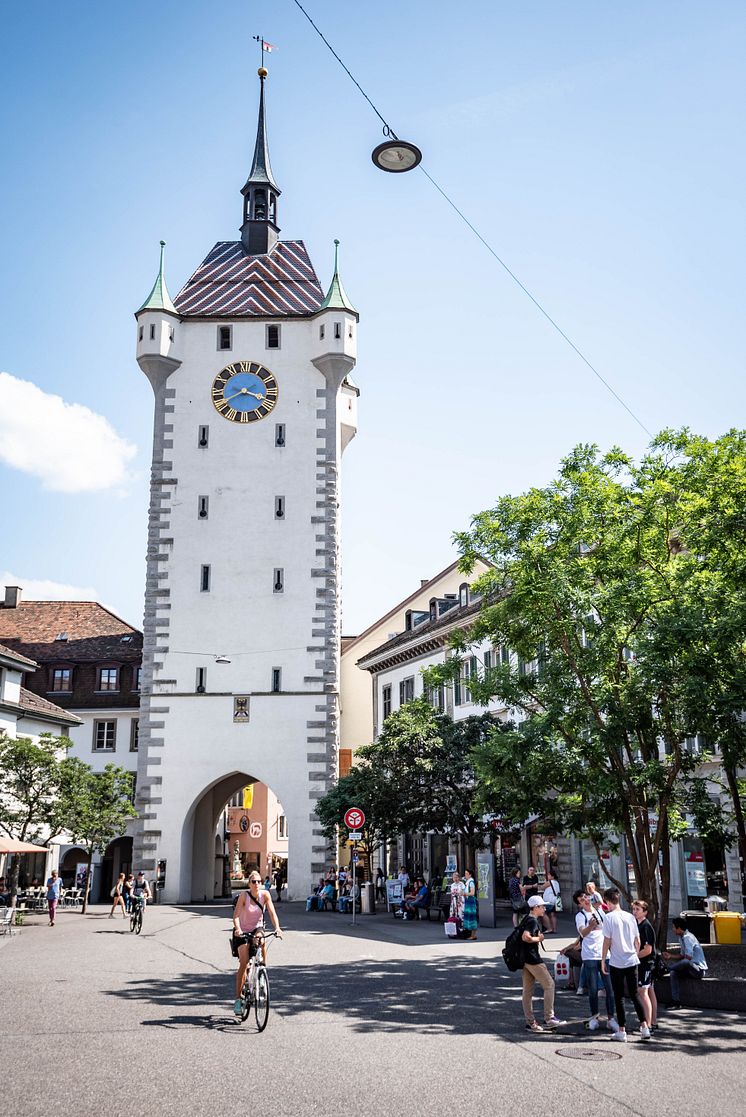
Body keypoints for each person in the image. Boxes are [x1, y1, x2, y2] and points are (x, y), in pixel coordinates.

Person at [601, 888, 650, 1042]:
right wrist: (635, 953)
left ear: (608, 901)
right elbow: (638, 940)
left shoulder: (609, 918)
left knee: (619, 996)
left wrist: (603, 959)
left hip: (617, 961)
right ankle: (644, 1027)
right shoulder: (630, 917)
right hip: (631, 960)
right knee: (635, 994)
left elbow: (607, 940)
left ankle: (622, 1030)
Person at [232, 871, 283, 1016]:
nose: (257, 884)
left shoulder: (265, 895)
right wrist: (238, 929)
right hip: (242, 930)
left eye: (259, 881)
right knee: (244, 962)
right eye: (254, 882)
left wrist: (277, 928)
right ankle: (237, 999)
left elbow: (272, 913)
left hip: (257, 928)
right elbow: (235, 916)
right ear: (249, 884)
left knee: (261, 940)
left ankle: (262, 970)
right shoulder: (244, 896)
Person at [573, 889, 617, 1031]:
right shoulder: (580, 916)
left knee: (609, 988)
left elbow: (608, 929)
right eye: (581, 900)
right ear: (579, 904)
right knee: (592, 988)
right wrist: (591, 926)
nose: (585, 900)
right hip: (590, 955)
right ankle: (594, 1018)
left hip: (604, 955)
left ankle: (611, 1018)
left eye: (586, 896)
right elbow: (582, 933)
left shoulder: (599, 911)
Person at [521, 896, 564, 1032]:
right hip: (532, 958)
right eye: (542, 906)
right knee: (549, 984)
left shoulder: (526, 919)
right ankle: (549, 1017)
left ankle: (530, 1022)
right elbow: (525, 937)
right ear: (535, 908)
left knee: (527, 990)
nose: (544, 909)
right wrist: (538, 938)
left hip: (524, 959)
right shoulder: (532, 921)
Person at [662, 916, 708, 1008]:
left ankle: (666, 969)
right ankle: (676, 1001)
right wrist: (671, 956)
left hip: (698, 970)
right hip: (689, 969)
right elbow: (682, 955)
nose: (673, 929)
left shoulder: (688, 937)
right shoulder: (681, 938)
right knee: (673, 973)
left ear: (679, 928)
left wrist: (672, 965)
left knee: (685, 962)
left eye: (674, 927)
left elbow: (688, 958)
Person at [632, 899, 658, 1030]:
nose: (634, 912)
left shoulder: (645, 926)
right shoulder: (638, 924)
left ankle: (647, 1024)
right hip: (644, 962)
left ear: (645, 912)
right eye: (634, 909)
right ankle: (653, 1021)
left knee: (643, 991)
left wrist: (634, 957)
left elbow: (648, 949)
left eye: (638, 910)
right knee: (649, 990)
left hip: (646, 963)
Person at [463, 868, 478, 940]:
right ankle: (471, 934)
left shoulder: (471, 882)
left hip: (471, 901)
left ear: (470, 874)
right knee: (469, 917)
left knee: (472, 917)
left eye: (466, 874)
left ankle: (473, 935)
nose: (465, 875)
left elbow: (472, 893)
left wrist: (465, 893)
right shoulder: (467, 882)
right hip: (468, 901)